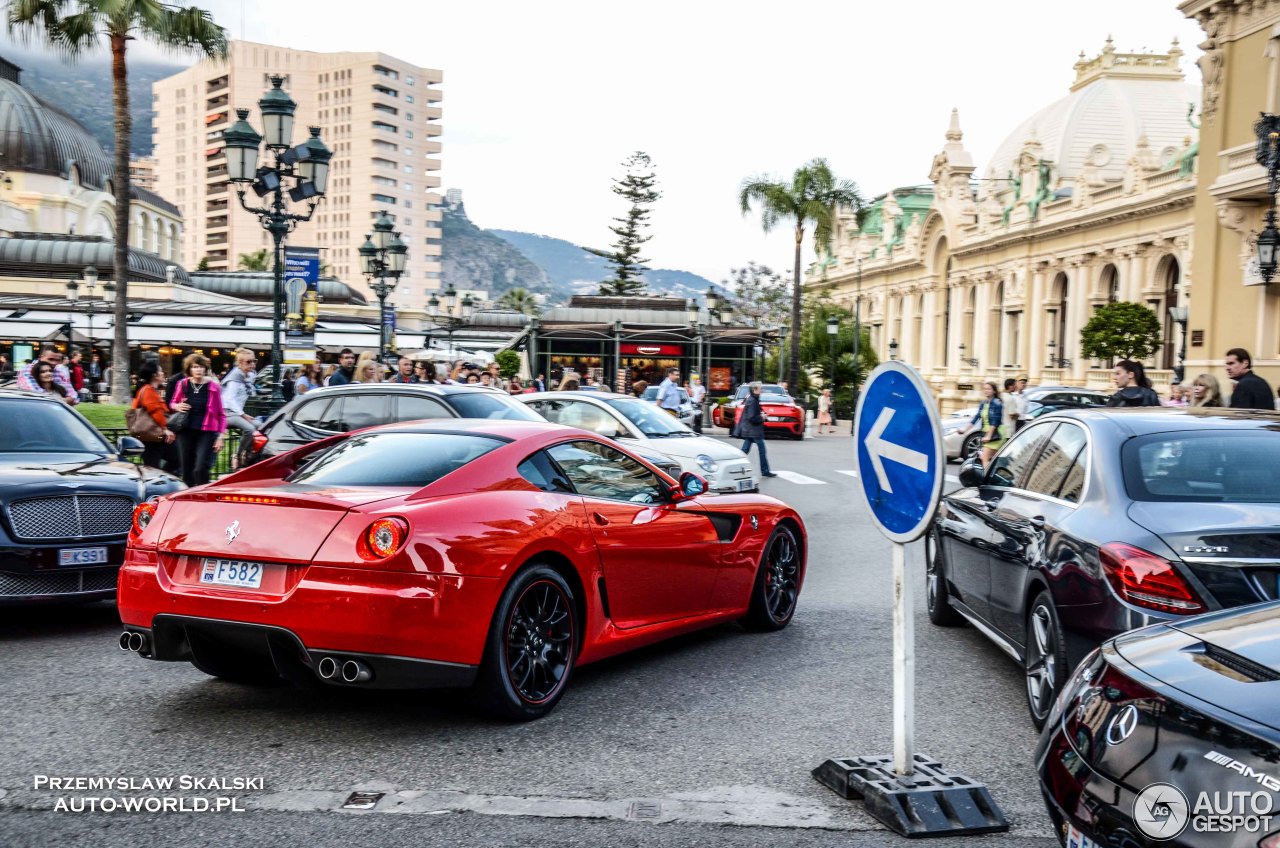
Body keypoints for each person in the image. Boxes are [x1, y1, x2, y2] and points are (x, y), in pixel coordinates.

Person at [170, 354, 226, 488]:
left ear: (205, 369)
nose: (198, 370)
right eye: (195, 367)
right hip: (185, 431)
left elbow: (222, 415)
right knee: (187, 469)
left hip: (206, 432)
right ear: (189, 369)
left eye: (201, 367)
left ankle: (203, 495)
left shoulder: (213, 387)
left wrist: (221, 437)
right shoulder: (182, 384)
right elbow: (172, 403)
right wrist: (176, 406)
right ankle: (188, 498)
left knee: (200, 468)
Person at [132, 361, 178, 473]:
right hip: (151, 438)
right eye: (161, 371)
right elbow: (155, 412)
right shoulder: (148, 390)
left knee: (176, 459)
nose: (163, 373)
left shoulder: (151, 390)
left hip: (156, 437)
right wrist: (165, 429)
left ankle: (163, 479)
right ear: (154, 375)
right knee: (153, 469)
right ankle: (161, 483)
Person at [220, 349, 259, 451]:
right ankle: (237, 455)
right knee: (249, 429)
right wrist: (243, 414)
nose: (252, 364)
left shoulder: (250, 375)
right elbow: (230, 399)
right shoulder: (235, 377)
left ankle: (249, 453)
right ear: (240, 363)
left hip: (237, 412)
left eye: (254, 361)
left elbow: (251, 390)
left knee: (260, 426)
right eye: (248, 361)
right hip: (226, 412)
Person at [736, 382, 776, 478]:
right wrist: (762, 417)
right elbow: (752, 417)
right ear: (754, 390)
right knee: (762, 450)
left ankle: (734, 465)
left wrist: (762, 415)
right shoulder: (753, 400)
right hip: (753, 431)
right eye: (759, 389)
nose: (761, 390)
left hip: (750, 430)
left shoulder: (753, 399)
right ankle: (765, 471)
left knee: (744, 451)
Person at [964, 381, 1005, 466]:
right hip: (987, 434)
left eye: (989, 389)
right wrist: (964, 429)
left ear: (994, 391)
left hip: (996, 434)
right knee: (994, 461)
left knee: (984, 459)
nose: (986, 390)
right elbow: (976, 417)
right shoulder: (984, 403)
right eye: (985, 389)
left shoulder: (997, 403)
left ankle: (985, 478)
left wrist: (989, 436)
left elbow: (995, 421)